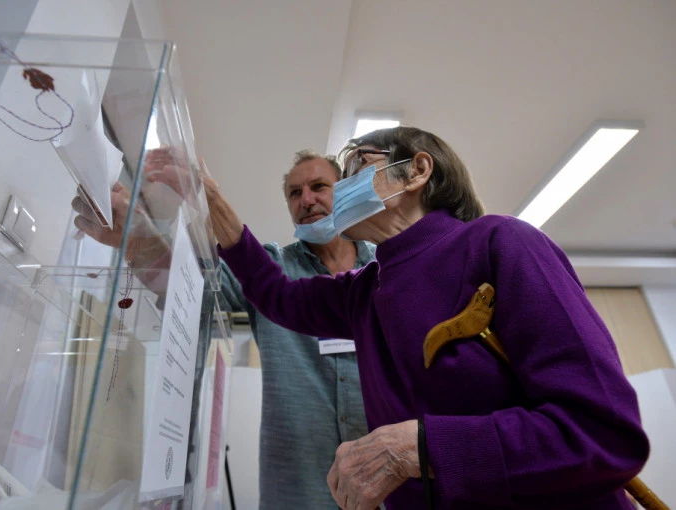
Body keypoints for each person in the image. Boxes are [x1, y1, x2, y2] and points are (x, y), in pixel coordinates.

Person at [201, 126, 650, 509]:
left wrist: (421, 448)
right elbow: (277, 294)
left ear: (417, 170)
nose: (338, 190)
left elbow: (604, 434)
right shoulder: (364, 291)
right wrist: (211, 201)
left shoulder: (502, 243)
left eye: (357, 166)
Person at [72, 149, 375, 509]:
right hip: (296, 490)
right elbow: (196, 291)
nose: (306, 200)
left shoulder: (384, 269)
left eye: (319, 186)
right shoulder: (271, 268)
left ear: (343, 189)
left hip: (388, 485)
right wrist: (138, 239)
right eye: (295, 193)